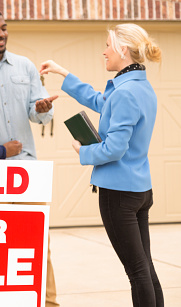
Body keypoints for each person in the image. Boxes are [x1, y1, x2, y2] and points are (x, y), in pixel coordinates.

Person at [39, 23, 163, 307]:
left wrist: (83, 150)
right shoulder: (140, 87)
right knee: (146, 268)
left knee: (137, 272)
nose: (104, 51)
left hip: (118, 193)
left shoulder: (125, 93)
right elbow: (100, 101)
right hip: (140, 189)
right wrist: (63, 73)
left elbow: (114, 149)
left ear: (123, 49)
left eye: (108, 45)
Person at [0, 7, 60, 307]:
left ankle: (48, 303)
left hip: (25, 169)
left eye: (4, 28)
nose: (1, 34)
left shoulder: (24, 66)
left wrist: (43, 109)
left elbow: (37, 114)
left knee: (36, 242)